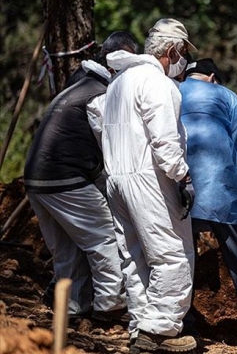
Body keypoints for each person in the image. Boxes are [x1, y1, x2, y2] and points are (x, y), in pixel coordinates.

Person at [23, 31, 137, 322]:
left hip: (36, 179)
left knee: (66, 249)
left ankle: (72, 308)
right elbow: (107, 142)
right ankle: (110, 307)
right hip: (65, 179)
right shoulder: (100, 94)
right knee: (104, 240)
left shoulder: (77, 85)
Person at [103, 18, 197, 353]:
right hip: (149, 177)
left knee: (134, 255)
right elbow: (165, 141)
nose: (183, 59)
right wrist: (183, 177)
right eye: (183, 52)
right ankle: (157, 332)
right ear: (173, 50)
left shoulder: (118, 82)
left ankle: (141, 325)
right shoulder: (158, 84)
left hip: (116, 177)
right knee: (171, 254)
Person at [179, 58, 237, 344]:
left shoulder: (172, 90)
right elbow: (235, 146)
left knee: (182, 258)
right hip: (219, 187)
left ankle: (182, 320)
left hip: (181, 188)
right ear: (213, 77)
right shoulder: (227, 96)